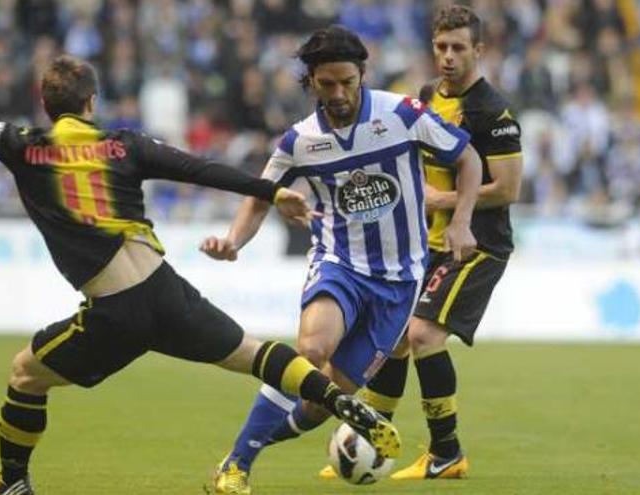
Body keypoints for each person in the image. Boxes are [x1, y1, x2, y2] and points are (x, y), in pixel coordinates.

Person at [0, 2, 400, 495]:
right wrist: (271, 191)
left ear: (47, 105)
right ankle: (334, 396)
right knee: (254, 353)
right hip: (166, 291)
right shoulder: (127, 146)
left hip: (116, 310)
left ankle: (12, 481)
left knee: (26, 372)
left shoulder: (25, 147)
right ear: (92, 104)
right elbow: (200, 169)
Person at [201, 25, 483, 494]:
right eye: (327, 84)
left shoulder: (404, 114)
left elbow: (468, 158)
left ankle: (246, 446)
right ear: (311, 81)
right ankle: (238, 467)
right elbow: (261, 194)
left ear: (362, 75)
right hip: (340, 264)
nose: (338, 94)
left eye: (347, 83)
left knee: (321, 401)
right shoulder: (300, 141)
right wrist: (234, 240)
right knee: (311, 351)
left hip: (399, 283)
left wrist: (461, 221)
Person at [329, 5, 524, 481]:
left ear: (479, 50)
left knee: (423, 335)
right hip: (428, 245)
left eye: (459, 48)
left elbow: (507, 189)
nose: (449, 57)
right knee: (394, 340)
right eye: (441, 47)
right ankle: (373, 442)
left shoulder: (492, 112)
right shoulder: (423, 97)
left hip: (477, 246)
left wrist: (443, 199)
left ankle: (447, 453)